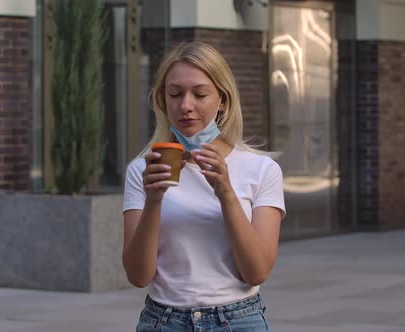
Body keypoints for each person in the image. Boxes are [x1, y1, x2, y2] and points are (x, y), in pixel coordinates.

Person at [122, 41, 286, 332]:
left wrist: (225, 192)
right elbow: (138, 276)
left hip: (238, 320)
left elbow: (257, 271)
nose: (186, 106)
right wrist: (154, 201)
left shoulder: (261, 170)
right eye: (175, 94)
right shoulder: (143, 171)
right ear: (163, 100)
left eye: (200, 94)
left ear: (222, 99)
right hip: (163, 320)